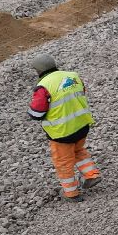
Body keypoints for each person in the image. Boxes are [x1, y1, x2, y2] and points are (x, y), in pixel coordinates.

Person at [27, 53, 99, 202]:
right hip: (82, 125)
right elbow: (81, 93)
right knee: (78, 150)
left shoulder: (44, 86)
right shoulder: (73, 76)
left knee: (63, 163)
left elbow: (37, 113)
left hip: (61, 133)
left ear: (38, 70)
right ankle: (92, 175)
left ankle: (71, 194)